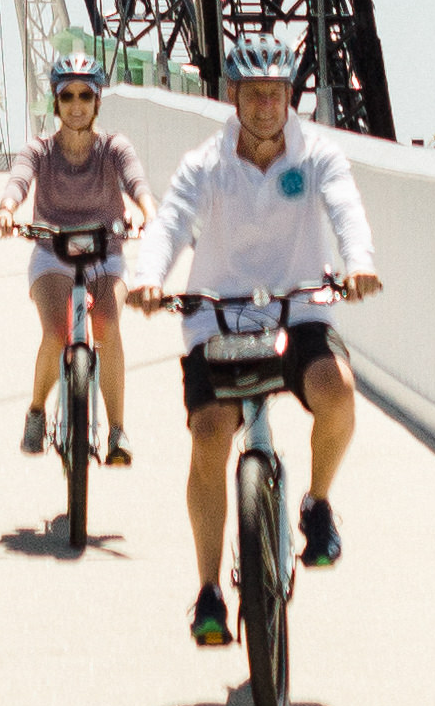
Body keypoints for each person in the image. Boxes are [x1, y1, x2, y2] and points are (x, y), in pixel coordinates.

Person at [126, 37, 380, 651]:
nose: (266, 106)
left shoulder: (318, 155)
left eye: (277, 94)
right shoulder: (204, 165)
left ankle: (316, 504)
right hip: (218, 317)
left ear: (290, 97)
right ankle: (210, 592)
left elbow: (345, 209)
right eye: (253, 94)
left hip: (298, 309)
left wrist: (359, 262)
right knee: (210, 435)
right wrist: (147, 278)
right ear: (232, 97)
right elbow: (171, 223)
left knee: (338, 393)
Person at [0, 61, 149, 461]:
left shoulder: (114, 148)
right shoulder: (39, 150)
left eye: (85, 96)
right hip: (52, 254)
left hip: (105, 254)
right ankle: (38, 412)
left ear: (97, 102)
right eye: (67, 96)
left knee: (108, 326)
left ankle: (116, 432)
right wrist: (7, 210)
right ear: (56, 102)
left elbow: (137, 183)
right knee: (57, 332)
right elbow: (19, 181)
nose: (77, 105)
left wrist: (146, 211)